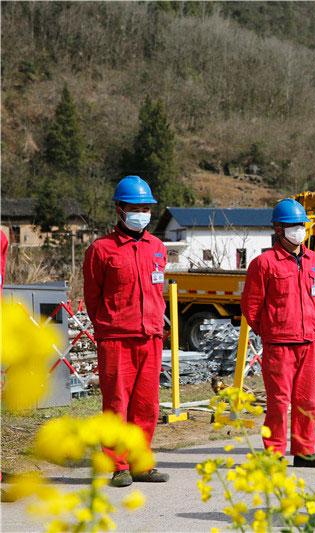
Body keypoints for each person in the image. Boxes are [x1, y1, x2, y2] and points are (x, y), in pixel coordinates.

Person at [83, 176, 169, 487]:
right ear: (119, 210)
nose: (142, 213)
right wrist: (109, 326)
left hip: (150, 338)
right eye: (135, 208)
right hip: (116, 339)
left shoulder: (157, 247)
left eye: (146, 208)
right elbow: (93, 299)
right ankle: (118, 466)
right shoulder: (101, 250)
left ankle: (140, 464)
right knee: (116, 405)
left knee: (147, 405)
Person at [241, 198, 315, 468]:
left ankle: (304, 451)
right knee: (278, 402)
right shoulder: (263, 263)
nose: (298, 230)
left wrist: (313, 326)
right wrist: (270, 330)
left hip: (309, 342)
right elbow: (251, 306)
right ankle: (274, 452)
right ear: (278, 229)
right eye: (292, 226)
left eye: (301, 225)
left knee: (308, 400)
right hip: (279, 343)